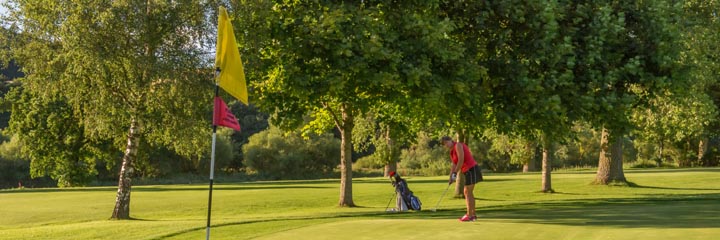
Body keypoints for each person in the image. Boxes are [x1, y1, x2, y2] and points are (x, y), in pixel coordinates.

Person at [441, 136, 483, 222]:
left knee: (467, 192)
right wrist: (451, 177)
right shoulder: (452, 152)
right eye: (444, 144)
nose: (446, 145)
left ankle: (470, 215)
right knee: (467, 192)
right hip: (467, 171)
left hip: (472, 169)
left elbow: (461, 160)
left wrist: (455, 173)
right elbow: (454, 164)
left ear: (451, 140)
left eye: (446, 142)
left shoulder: (458, 145)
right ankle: (473, 215)